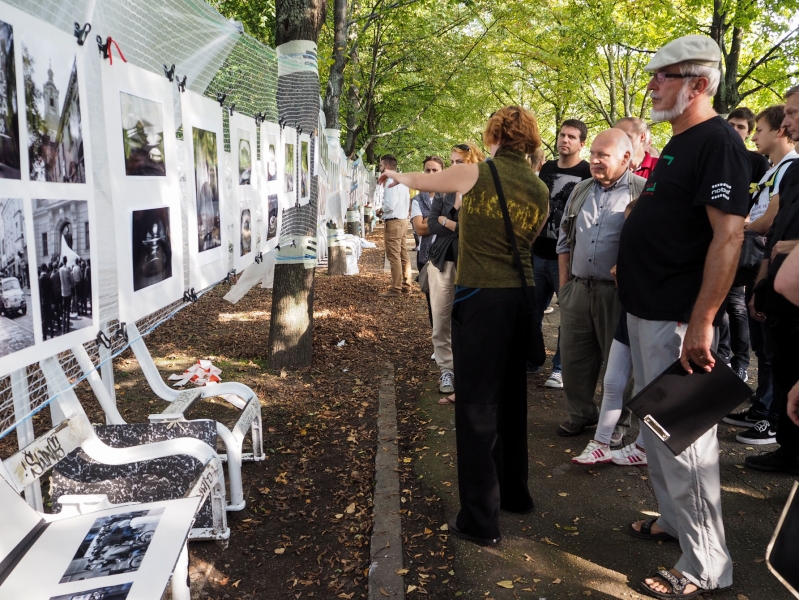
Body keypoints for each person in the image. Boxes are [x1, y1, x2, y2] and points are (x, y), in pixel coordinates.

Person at [617, 34, 750, 598]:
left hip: (677, 317)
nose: (651, 85)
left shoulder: (718, 141)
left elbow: (729, 236)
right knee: (656, 430)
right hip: (647, 309)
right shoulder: (680, 140)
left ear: (698, 84)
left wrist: (702, 321)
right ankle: (675, 524)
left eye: (662, 76)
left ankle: (706, 566)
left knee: (686, 442)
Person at [378, 105, 548, 546]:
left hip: (482, 300)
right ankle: (515, 494)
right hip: (521, 300)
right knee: (512, 399)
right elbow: (531, 240)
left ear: (493, 137)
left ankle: (480, 519)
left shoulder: (476, 173)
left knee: (476, 407)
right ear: (529, 140)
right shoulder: (538, 186)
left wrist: (394, 175)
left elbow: (422, 181)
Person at [555, 130, 645, 438]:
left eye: (602, 155)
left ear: (625, 157)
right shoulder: (580, 189)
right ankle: (580, 413)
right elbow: (564, 239)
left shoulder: (641, 191)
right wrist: (565, 286)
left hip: (618, 294)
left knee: (620, 366)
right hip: (578, 290)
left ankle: (617, 423)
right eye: (592, 153)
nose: (593, 160)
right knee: (573, 360)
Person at [724, 104, 798, 444]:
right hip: (763, 265)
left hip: (777, 269)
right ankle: (763, 407)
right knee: (765, 347)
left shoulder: (790, 168)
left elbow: (771, 218)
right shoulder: (774, 169)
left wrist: (739, 229)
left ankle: (772, 416)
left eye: (759, 130)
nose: (754, 137)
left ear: (780, 131)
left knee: (774, 349)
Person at [744, 85, 799, 475]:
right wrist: (762, 284)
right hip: (779, 293)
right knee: (781, 364)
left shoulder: (789, 166)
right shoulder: (790, 172)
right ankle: (787, 448)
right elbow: (777, 231)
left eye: (793, 113)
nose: (787, 120)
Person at [532, 119, 591, 387]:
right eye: (562, 135)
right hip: (538, 253)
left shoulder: (587, 172)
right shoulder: (547, 168)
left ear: (581, 143)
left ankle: (560, 368)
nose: (565, 140)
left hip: (566, 257)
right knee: (531, 312)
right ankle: (532, 359)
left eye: (571, 137)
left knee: (567, 316)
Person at [427, 144, 485, 401]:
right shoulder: (443, 189)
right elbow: (431, 225)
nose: (453, 167)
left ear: (473, 162)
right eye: (451, 162)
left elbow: (476, 230)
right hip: (443, 262)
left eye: (459, 162)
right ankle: (447, 371)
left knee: (472, 321)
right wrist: (454, 224)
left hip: (473, 264)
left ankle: (470, 372)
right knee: (441, 320)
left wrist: (446, 221)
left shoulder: (483, 191)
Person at [718, 107, 772, 374]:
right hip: (715, 238)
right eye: (731, 124)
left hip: (744, 240)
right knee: (716, 302)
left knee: (737, 304)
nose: (734, 130)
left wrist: (742, 224)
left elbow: (761, 203)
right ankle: (720, 356)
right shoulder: (716, 158)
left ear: (749, 133)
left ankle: (740, 364)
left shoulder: (758, 161)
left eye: (741, 127)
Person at [410, 156, 444, 326]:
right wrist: (441, 220)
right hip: (426, 257)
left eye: (435, 170)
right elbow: (420, 229)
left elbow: (456, 226)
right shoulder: (417, 200)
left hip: (448, 256)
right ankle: (437, 337)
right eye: (427, 170)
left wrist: (427, 220)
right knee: (432, 302)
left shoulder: (451, 196)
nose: (431, 173)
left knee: (449, 301)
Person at [377, 154, 412, 298]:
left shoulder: (390, 182)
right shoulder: (402, 181)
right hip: (402, 220)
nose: (379, 169)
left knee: (393, 256)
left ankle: (396, 288)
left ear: (386, 167)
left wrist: (381, 210)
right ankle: (406, 285)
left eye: (380, 166)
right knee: (403, 254)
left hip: (393, 222)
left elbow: (390, 205)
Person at [59, 256, 74, 334]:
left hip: (62, 293)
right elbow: (72, 281)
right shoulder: (67, 270)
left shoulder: (60, 270)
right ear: (66, 261)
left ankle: (63, 329)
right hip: (68, 292)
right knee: (67, 312)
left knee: (63, 312)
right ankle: (67, 328)